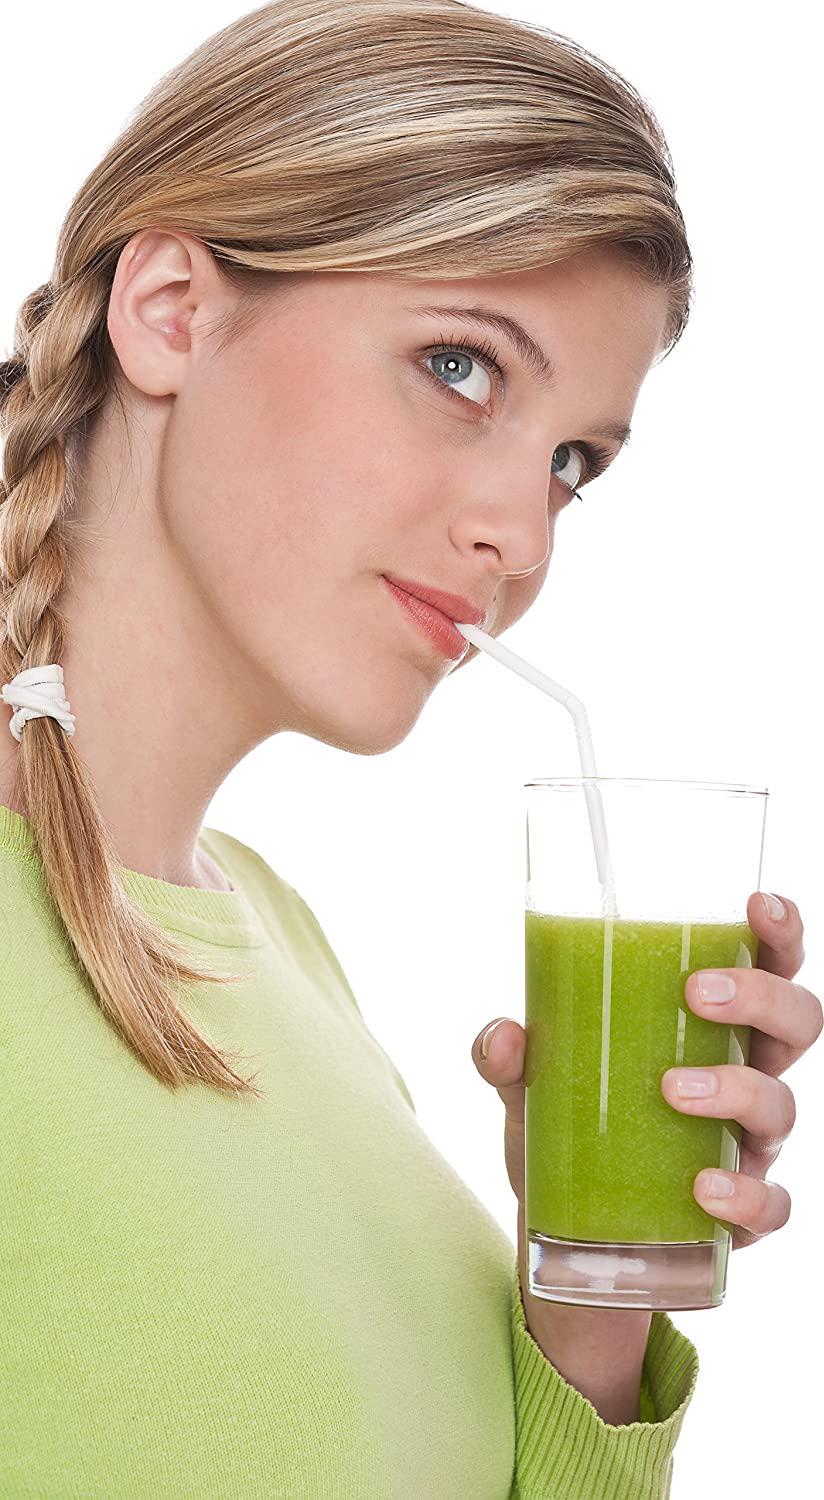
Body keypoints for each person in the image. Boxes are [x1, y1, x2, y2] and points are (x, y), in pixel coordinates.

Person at [0, 1, 819, 1495]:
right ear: (171, 311)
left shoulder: (279, 945)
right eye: (460, 367)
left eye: (572, 462)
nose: (522, 535)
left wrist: (586, 1309)